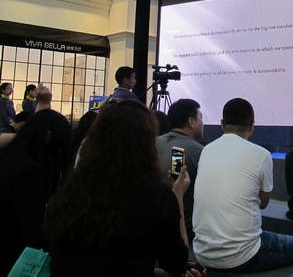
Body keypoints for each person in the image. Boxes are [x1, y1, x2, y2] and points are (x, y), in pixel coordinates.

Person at [44, 100, 203, 277]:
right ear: (146, 144)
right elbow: (176, 261)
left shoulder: (69, 192)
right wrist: (177, 195)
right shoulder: (155, 198)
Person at [193, 98, 293, 273]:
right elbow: (264, 203)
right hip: (243, 256)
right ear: (252, 126)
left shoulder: (206, 150)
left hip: (202, 253)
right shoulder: (262, 155)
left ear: (222, 124)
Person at [0, 85, 72, 275]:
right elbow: (31, 232)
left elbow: (39, 125)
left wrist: (43, 103)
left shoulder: (12, 156)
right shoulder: (31, 174)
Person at [156, 99, 204, 240]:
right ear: (191, 122)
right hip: (183, 230)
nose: (202, 123)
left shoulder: (153, 142)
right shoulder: (198, 151)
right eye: (200, 118)